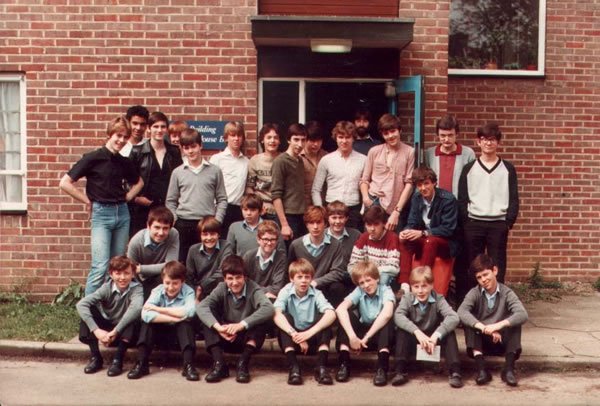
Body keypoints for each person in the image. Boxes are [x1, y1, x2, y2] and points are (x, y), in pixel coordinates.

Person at [59, 116, 143, 295]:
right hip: (101, 215)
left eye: (125, 137)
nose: (121, 140)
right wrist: (87, 200)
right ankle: (88, 308)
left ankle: (111, 304)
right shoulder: (92, 158)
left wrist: (128, 197)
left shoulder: (123, 161)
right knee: (100, 266)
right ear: (109, 135)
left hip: (122, 214)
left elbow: (139, 182)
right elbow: (65, 183)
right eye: (118, 135)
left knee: (118, 265)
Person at [196, 255, 275, 383]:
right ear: (224, 279)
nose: (235, 282)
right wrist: (219, 328)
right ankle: (219, 364)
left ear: (245, 277)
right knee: (208, 318)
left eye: (238, 277)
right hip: (224, 335)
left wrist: (241, 325)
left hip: (245, 339)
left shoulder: (253, 288)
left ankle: (243, 364)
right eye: (230, 278)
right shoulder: (221, 287)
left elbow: (269, 308)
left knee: (262, 319)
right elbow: (201, 307)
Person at [458, 122, 519, 283]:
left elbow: (514, 198)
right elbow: (462, 198)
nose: (488, 143)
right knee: (474, 265)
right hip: (474, 223)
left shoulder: (508, 169)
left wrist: (508, 222)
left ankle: (496, 297)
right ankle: (475, 296)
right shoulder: (469, 168)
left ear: (498, 142)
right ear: (478, 142)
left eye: (492, 139)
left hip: (498, 224)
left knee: (497, 265)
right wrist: (467, 222)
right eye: (484, 139)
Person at [457, 254, 528, 387]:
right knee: (470, 324)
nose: (483, 280)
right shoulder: (475, 293)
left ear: (495, 270)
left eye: (485, 274)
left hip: (501, 342)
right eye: (479, 277)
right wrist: (484, 328)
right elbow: (461, 312)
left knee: (515, 323)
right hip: (481, 343)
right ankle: (482, 370)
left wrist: (497, 326)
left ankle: (508, 370)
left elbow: (523, 314)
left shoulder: (507, 293)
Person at [393, 266, 463, 388]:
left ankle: (455, 372)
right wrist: (417, 332)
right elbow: (398, 315)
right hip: (415, 339)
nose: (420, 291)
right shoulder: (407, 298)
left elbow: (454, 317)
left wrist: (436, 335)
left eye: (424, 286)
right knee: (402, 331)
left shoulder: (438, 298)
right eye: (416, 287)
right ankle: (400, 371)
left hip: (432, 340)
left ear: (431, 285)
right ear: (411, 287)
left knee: (449, 332)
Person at [127, 261, 199, 381]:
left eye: (175, 283)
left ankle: (188, 365)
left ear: (183, 282)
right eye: (167, 283)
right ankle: (141, 363)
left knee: (185, 325)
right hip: (159, 335)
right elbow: (145, 314)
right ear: (162, 280)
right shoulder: (157, 291)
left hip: (178, 338)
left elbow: (190, 312)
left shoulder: (188, 291)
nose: (170, 287)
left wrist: (159, 309)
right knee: (147, 324)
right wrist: (175, 317)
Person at [166, 128, 228, 262]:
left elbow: (222, 199)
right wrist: (175, 219)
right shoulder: (177, 172)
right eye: (186, 148)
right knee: (183, 261)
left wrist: (217, 221)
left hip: (207, 223)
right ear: (182, 149)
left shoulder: (214, 171)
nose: (190, 151)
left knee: (206, 261)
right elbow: (170, 200)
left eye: (193, 146)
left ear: (201, 145)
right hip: (184, 224)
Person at [273, 258, 337, 385]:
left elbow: (331, 314)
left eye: (307, 277)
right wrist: (295, 335)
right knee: (285, 317)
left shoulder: (316, 293)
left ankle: (321, 367)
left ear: (311, 279)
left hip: (312, 340)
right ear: (291, 279)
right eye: (299, 277)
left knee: (324, 319)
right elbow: (276, 314)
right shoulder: (286, 291)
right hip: (292, 341)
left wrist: (308, 334)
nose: (303, 281)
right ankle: (294, 368)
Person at [76, 256, 143, 377]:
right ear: (111, 274)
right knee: (88, 312)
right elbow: (81, 304)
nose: (122, 278)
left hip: (125, 333)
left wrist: (115, 331)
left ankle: (118, 360)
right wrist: (97, 331)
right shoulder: (106, 288)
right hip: (108, 330)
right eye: (118, 273)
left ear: (133, 274)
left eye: (126, 273)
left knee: (133, 319)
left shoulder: (137, 288)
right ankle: (96, 358)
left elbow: (136, 308)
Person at [398, 166, 459, 296]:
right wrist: (406, 231)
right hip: (426, 239)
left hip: (446, 243)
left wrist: (423, 233)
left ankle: (422, 283)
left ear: (434, 183)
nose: (423, 188)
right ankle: (405, 285)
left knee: (430, 241)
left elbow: (448, 229)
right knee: (406, 240)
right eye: (419, 185)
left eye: (426, 184)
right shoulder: (416, 198)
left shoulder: (448, 199)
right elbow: (412, 222)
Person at [335, 261, 395, 386]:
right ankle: (344, 364)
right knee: (346, 316)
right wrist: (353, 337)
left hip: (377, 336)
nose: (366, 285)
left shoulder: (386, 290)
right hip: (361, 337)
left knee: (386, 321)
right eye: (362, 283)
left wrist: (366, 338)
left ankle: (382, 368)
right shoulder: (359, 291)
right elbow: (340, 309)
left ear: (377, 278)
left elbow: (387, 313)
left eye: (368, 280)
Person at [129, 111, 183, 237]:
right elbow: (126, 180)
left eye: (163, 127)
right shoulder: (137, 152)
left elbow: (180, 178)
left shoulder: (174, 152)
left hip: (167, 207)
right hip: (142, 209)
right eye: (155, 126)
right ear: (149, 128)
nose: (159, 130)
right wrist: (136, 198)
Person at [360, 113, 415, 232]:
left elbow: (409, 184)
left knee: (393, 241)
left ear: (400, 130)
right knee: (371, 239)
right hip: (374, 201)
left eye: (393, 131)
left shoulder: (409, 152)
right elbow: (364, 180)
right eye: (386, 133)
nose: (390, 136)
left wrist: (397, 212)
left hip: (396, 205)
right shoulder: (374, 151)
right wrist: (366, 199)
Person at [287, 205, 348, 307]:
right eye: (311, 223)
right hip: (302, 285)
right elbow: (289, 270)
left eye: (319, 222)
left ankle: (333, 313)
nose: (315, 227)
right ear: (307, 225)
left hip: (325, 286)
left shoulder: (335, 244)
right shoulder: (296, 245)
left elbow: (337, 272)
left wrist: (316, 282)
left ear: (325, 224)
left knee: (337, 287)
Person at [312, 121, 366, 230]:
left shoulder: (363, 160)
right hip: (331, 209)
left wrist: (363, 211)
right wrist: (320, 211)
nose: (344, 141)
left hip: (353, 210)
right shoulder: (326, 160)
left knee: (352, 239)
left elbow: (367, 186)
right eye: (341, 137)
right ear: (335, 138)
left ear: (353, 138)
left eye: (348, 137)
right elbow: (316, 189)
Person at [127, 206, 179, 299]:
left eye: (165, 228)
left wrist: (140, 268)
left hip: (163, 279)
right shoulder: (136, 241)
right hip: (141, 282)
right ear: (148, 225)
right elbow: (131, 270)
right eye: (157, 227)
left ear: (170, 228)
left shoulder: (174, 234)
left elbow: (171, 265)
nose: (161, 233)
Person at [348, 206, 404, 291]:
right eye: (369, 225)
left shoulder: (392, 238)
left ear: (384, 223)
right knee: (350, 274)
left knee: (384, 277)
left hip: (383, 276)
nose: (372, 229)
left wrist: (370, 272)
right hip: (364, 276)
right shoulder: (363, 237)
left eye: (376, 224)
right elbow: (353, 264)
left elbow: (393, 268)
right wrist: (364, 275)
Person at [210, 121, 249, 238]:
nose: (236, 139)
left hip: (238, 209)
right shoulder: (217, 159)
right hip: (220, 208)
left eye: (239, 135)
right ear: (226, 138)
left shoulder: (246, 162)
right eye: (232, 135)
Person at [271, 123, 307, 242]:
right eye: (296, 139)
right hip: (287, 217)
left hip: (301, 215)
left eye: (303, 140)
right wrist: (284, 224)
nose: (300, 144)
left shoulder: (300, 160)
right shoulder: (281, 161)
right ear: (288, 140)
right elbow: (276, 195)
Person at [424, 114, 475, 199]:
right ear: (438, 135)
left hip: (458, 202)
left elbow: (473, 182)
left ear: (457, 134)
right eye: (443, 135)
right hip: (436, 202)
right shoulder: (429, 154)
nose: (446, 139)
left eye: (450, 135)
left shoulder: (468, 154)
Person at [186, 216, 233, 301]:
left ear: (218, 234)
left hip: (219, 291)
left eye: (212, 234)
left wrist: (202, 286)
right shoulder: (193, 250)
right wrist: (194, 294)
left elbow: (223, 272)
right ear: (200, 236)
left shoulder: (226, 246)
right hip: (198, 293)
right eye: (205, 234)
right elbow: (189, 277)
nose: (209, 238)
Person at [242, 220, 288, 301]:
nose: (269, 243)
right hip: (249, 299)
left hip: (271, 300)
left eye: (272, 239)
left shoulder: (281, 259)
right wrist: (263, 293)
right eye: (265, 239)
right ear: (258, 239)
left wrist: (252, 290)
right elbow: (243, 283)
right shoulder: (248, 256)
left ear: (277, 240)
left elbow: (277, 288)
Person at [245, 123, 281, 222]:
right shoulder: (255, 160)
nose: (272, 141)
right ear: (262, 140)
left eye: (275, 138)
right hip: (261, 210)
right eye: (269, 137)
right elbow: (249, 187)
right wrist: (258, 205)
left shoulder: (284, 159)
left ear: (279, 141)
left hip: (281, 211)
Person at [301, 121, 328, 207]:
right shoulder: (298, 157)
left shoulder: (326, 156)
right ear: (305, 139)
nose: (316, 144)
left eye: (319, 140)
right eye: (312, 140)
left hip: (323, 205)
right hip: (303, 206)